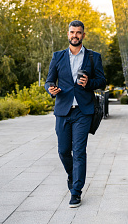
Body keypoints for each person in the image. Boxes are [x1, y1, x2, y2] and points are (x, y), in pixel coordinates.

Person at [45, 20, 106, 207]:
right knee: (63, 151)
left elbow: (102, 81)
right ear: (68, 33)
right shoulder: (57, 57)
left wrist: (89, 82)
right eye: (72, 32)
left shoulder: (93, 57)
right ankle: (72, 175)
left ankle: (76, 191)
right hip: (63, 110)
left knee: (79, 151)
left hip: (83, 111)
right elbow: (48, 81)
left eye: (79, 33)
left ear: (83, 35)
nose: (75, 35)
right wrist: (50, 89)